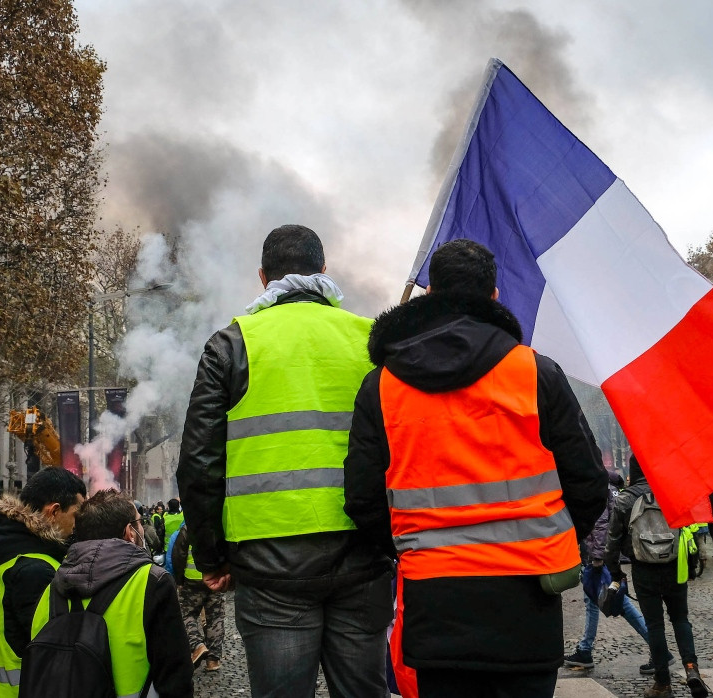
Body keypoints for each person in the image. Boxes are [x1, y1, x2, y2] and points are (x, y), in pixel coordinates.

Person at [343, 239, 607, 698]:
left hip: (434, 602)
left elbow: (362, 500)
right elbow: (588, 485)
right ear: (495, 297)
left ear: (429, 295)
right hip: (529, 603)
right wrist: (547, 538)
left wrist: (413, 547)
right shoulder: (536, 372)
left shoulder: (381, 386)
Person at [177, 224, 393, 698]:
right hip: (363, 551)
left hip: (268, 559)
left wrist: (210, 556)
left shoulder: (230, 345)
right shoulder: (371, 340)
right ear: (324, 269)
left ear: (263, 277)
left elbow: (199, 461)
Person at [27, 490, 193, 697]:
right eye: (139, 522)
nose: (142, 527)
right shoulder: (153, 581)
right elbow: (176, 673)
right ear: (129, 532)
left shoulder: (53, 586)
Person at [0, 467, 86, 698]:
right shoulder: (35, 569)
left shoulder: (11, 553)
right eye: (76, 514)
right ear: (53, 511)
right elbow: (55, 649)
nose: (78, 524)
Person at [606, 457, 706, 698]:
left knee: (655, 625)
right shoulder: (672, 493)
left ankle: (662, 683)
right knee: (681, 619)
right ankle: (692, 669)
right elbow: (688, 527)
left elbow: (612, 542)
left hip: (643, 568)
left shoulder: (624, 499)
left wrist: (616, 572)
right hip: (675, 566)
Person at [565, 472, 657, 671]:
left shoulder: (598, 487)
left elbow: (600, 524)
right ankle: (585, 649)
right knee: (595, 602)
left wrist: (598, 557)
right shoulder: (610, 488)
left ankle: (659, 650)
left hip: (599, 557)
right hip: (603, 554)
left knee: (618, 603)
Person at [168, 521, 225, 671]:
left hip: (192, 580)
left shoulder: (188, 528)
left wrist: (179, 579)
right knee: (215, 617)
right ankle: (213, 661)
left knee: (185, 614)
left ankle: (197, 645)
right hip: (215, 578)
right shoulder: (219, 525)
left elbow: (179, 554)